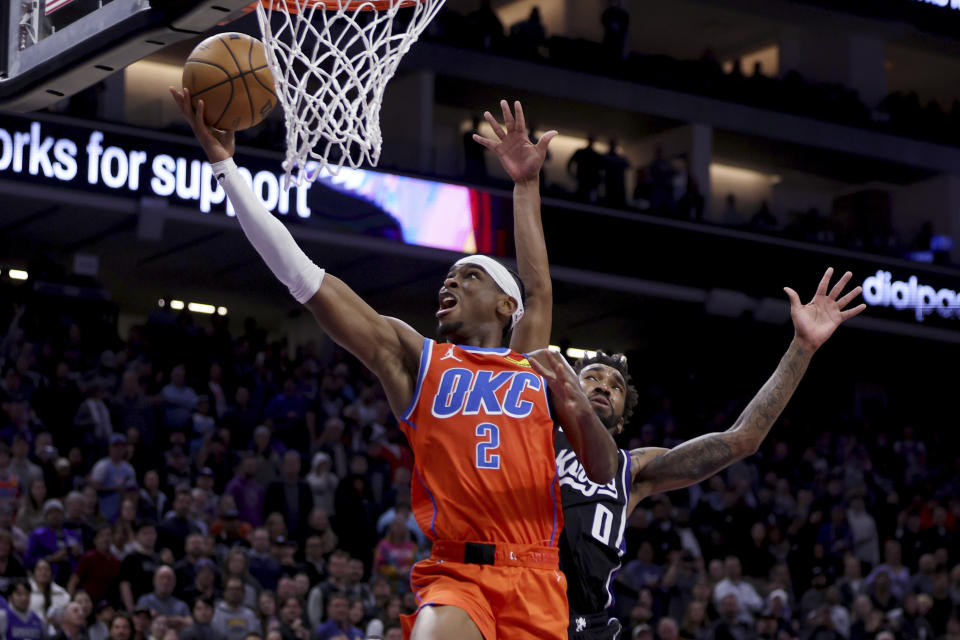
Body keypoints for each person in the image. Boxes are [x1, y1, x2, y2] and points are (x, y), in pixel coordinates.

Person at [171, 89, 617, 640]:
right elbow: (306, 278)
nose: (450, 280)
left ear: (507, 306)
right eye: (447, 277)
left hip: (537, 577)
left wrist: (526, 184)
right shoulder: (418, 359)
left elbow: (542, 291)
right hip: (459, 574)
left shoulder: (533, 365)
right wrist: (226, 167)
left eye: (468, 275)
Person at [552, 267, 863, 638]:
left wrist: (802, 347)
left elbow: (743, 437)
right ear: (567, 392)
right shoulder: (532, 433)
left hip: (588, 623)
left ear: (621, 424)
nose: (603, 386)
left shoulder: (632, 470)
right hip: (517, 593)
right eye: (591, 377)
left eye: (615, 385)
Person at [25, 500, 83, 587]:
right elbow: (28, 560)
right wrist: (51, 559)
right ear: (45, 516)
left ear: (63, 515)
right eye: (51, 512)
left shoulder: (72, 534)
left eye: (58, 512)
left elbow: (83, 557)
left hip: (71, 577)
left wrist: (78, 553)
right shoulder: (37, 534)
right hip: (49, 576)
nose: (55, 515)